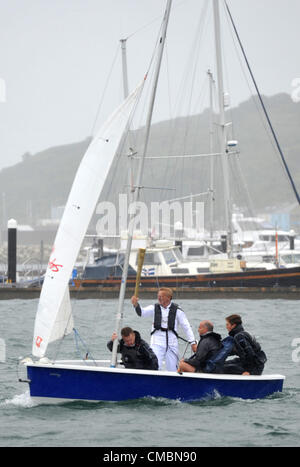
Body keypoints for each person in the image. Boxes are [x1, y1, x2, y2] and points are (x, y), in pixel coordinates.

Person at [131, 287, 197, 372]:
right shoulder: (154, 308)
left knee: (173, 368)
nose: (159, 298)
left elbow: (186, 327)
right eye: (158, 296)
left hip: (172, 342)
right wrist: (136, 304)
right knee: (154, 365)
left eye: (161, 296)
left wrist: (193, 342)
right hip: (157, 341)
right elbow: (141, 313)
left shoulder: (177, 310)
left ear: (168, 297)